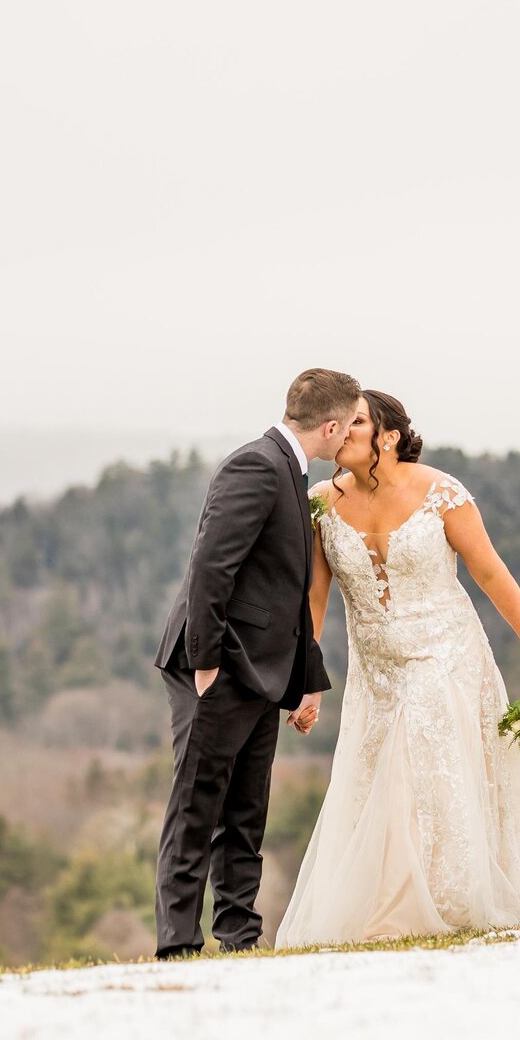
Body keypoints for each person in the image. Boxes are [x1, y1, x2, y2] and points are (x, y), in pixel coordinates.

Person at [276, 390, 520, 947]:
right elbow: (315, 598)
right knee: (378, 776)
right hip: (375, 668)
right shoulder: (322, 501)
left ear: (388, 437)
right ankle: (387, 903)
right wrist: (308, 682)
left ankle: (443, 900)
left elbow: (491, 573)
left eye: (354, 424)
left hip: (445, 653)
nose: (340, 433)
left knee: (418, 761)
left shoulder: (442, 494)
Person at [153, 368, 361, 957]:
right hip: (216, 664)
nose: (348, 438)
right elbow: (210, 568)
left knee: (245, 811)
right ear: (329, 425)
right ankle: (177, 944)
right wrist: (206, 663)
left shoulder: (291, 471)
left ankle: (240, 936)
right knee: (197, 804)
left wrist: (303, 681)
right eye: (347, 427)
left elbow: (287, 595)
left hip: (261, 671)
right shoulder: (256, 466)